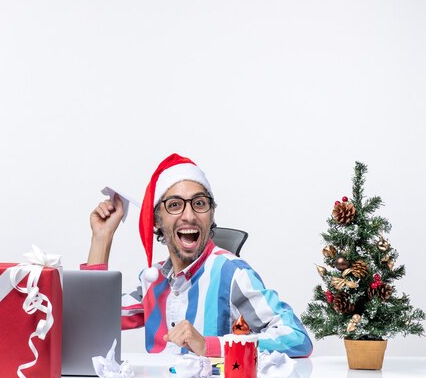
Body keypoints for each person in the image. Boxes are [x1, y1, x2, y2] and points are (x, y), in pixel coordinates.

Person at [82, 153, 313, 358]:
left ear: (211, 214)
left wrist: (209, 346)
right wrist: (102, 238)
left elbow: (296, 338)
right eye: (174, 205)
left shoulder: (231, 273)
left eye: (199, 203)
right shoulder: (152, 279)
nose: (189, 216)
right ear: (157, 221)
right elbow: (92, 318)